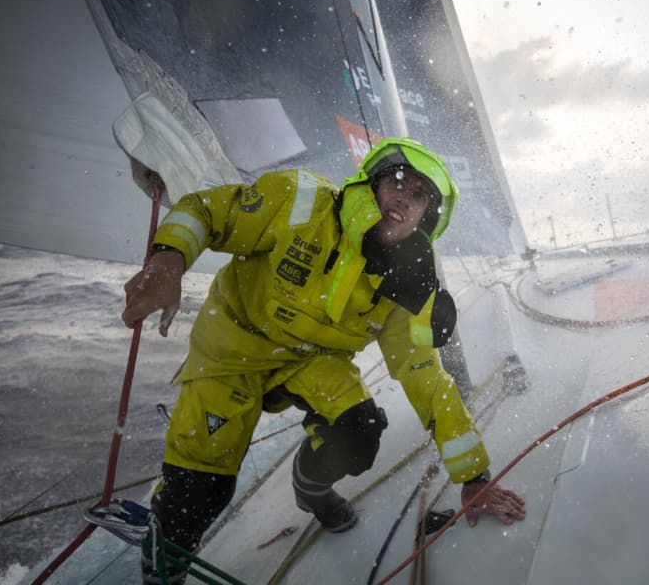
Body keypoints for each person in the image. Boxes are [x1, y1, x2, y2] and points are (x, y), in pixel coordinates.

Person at [122, 137, 526, 582]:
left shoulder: (402, 287)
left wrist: (474, 475)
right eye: (396, 182)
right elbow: (207, 210)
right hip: (232, 348)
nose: (403, 200)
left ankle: (310, 490)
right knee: (200, 489)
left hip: (311, 361)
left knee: (360, 432)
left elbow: (425, 379)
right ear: (370, 183)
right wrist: (168, 262)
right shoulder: (300, 200)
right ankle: (165, 563)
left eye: (418, 196)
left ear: (427, 217)